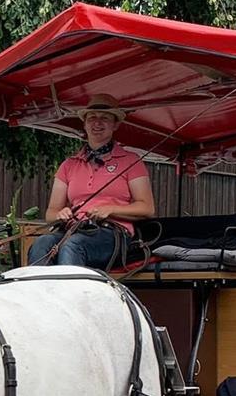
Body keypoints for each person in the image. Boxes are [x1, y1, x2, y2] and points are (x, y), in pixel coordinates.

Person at [27, 94, 155, 268]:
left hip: (112, 233)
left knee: (73, 246)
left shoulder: (132, 161)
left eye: (105, 118)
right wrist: (61, 213)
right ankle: (39, 294)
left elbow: (147, 208)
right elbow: (51, 213)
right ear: (85, 123)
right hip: (75, 229)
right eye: (92, 117)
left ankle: (72, 295)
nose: (97, 123)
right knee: (42, 243)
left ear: (115, 124)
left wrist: (111, 210)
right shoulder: (69, 165)